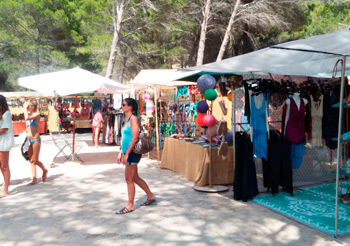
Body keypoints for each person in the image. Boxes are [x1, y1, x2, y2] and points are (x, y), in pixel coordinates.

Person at [116, 98, 156, 214]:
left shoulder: (134, 119)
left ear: (130, 107)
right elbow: (124, 138)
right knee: (135, 178)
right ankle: (150, 195)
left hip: (132, 152)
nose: (122, 107)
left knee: (129, 179)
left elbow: (134, 138)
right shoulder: (126, 119)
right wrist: (120, 151)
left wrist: (127, 153)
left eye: (124, 105)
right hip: (127, 151)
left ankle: (130, 205)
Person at [24, 100, 48, 185]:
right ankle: (34, 179)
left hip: (36, 139)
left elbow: (27, 118)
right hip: (29, 140)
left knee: (35, 160)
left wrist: (24, 108)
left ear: (33, 106)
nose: (28, 107)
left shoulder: (36, 114)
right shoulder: (28, 114)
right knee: (31, 160)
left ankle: (44, 170)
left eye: (29, 106)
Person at [0, 95, 14, 197]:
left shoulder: (7, 113)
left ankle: (6, 190)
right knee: (1, 165)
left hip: (4, 142)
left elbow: (4, 128)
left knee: (4, 166)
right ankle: (5, 184)